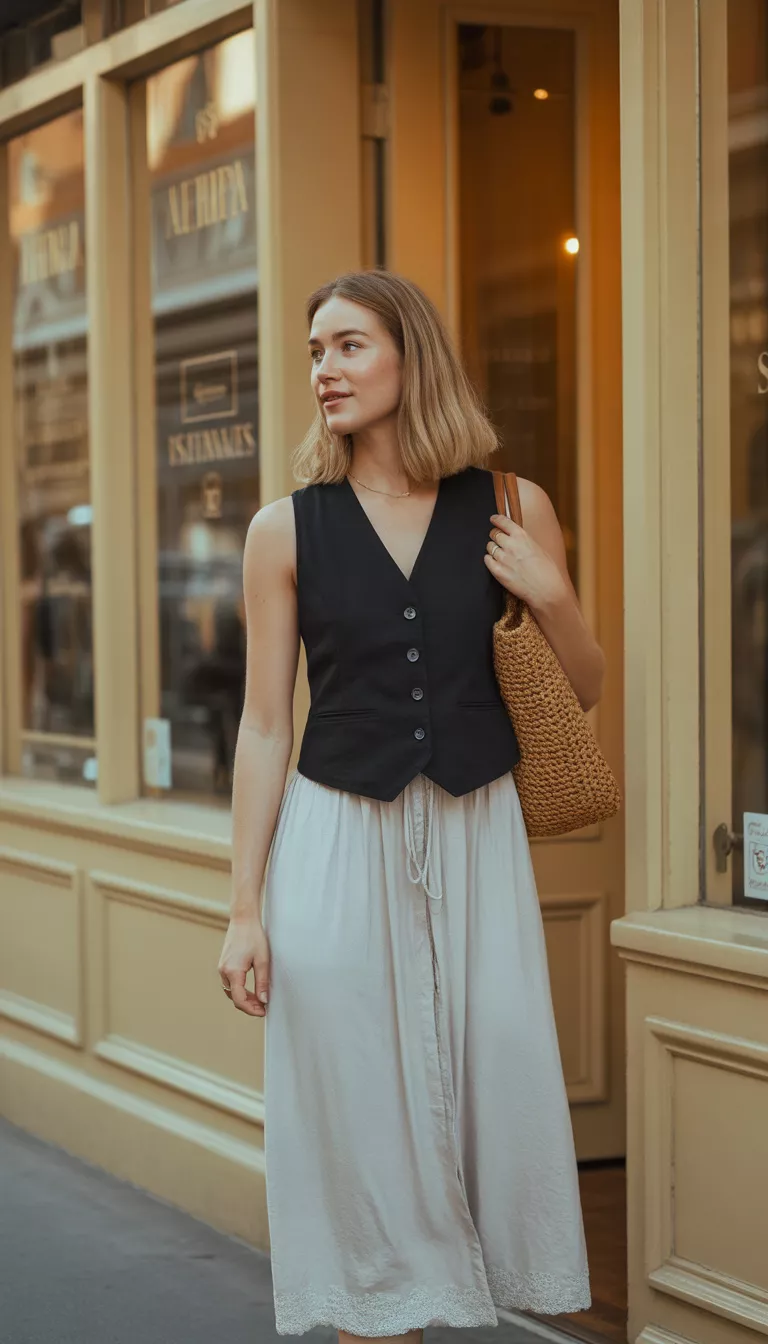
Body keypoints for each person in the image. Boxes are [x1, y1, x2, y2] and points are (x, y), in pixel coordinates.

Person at [217, 270, 604, 1340]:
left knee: (488, 1085)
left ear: (410, 356)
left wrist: (553, 591)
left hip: (477, 841)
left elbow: (583, 684)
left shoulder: (515, 507)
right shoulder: (283, 530)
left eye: (346, 346)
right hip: (338, 841)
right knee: (361, 1128)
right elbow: (262, 726)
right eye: (313, 353)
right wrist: (245, 906)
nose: (323, 372)